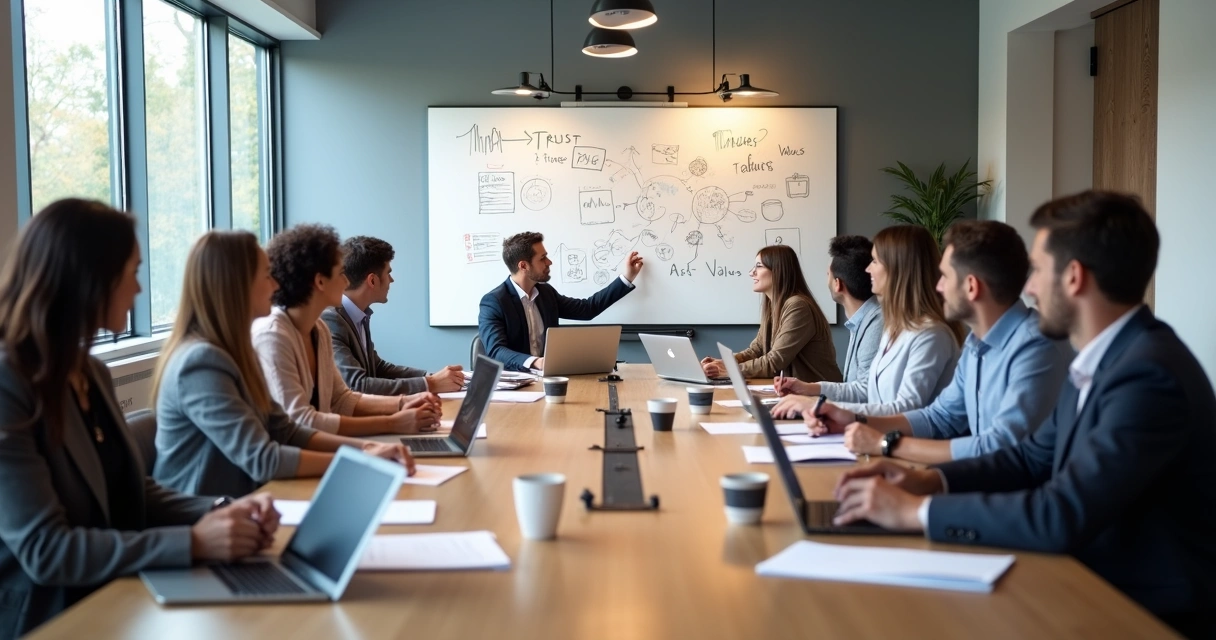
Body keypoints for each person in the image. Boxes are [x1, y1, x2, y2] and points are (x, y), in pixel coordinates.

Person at [831, 192, 1216, 638]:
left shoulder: (1147, 376)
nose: (1028, 287)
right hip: (1088, 580)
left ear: (1074, 278)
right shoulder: (1103, 358)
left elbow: (1062, 512)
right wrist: (930, 480)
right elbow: (1029, 457)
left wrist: (918, 512)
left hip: (1143, 610)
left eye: (1036, 270)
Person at [0, 200, 279, 637]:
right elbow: (46, 549)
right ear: (88, 279)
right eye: (132, 272)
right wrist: (194, 542)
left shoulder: (90, 371)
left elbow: (131, 490)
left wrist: (225, 511)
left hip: (122, 592)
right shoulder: (7, 385)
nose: (139, 290)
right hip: (50, 616)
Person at [153, 231, 416, 498]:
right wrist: (365, 459)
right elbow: (263, 458)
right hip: (206, 513)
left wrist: (367, 450)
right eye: (266, 275)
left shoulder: (236, 349)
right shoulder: (202, 362)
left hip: (248, 501)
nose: (275, 285)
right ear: (237, 285)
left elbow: (287, 430)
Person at [807, 221, 1072, 463]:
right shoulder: (976, 345)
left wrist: (885, 444)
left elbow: (1000, 447)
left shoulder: (1035, 347)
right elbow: (940, 417)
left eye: (945, 276)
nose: (938, 287)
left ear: (971, 286)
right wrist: (850, 418)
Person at [253, 224, 441, 436]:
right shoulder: (274, 336)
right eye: (341, 273)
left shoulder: (319, 329)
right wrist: (393, 423)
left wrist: (405, 402)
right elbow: (301, 422)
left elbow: (342, 399)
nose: (346, 281)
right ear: (320, 281)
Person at [773, 225, 964, 418]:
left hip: (898, 441)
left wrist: (819, 406)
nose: (868, 269)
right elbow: (867, 390)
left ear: (898, 270)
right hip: (878, 436)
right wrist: (809, 390)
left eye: (875, 261)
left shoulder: (931, 335)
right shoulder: (895, 328)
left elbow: (905, 411)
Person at [479, 231, 644, 372]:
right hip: (515, 382)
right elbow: (496, 351)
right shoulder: (494, 302)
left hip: (548, 379)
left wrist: (627, 277)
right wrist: (537, 362)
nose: (549, 262)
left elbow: (587, 309)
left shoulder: (545, 293)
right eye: (542, 258)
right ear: (524, 266)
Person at [323, 236, 463, 395]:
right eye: (388, 273)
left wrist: (430, 377)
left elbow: (377, 368)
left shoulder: (357, 315)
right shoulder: (331, 320)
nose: (392, 280)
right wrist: (430, 384)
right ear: (373, 280)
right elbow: (356, 385)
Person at [699, 244, 841, 382]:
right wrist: (724, 363)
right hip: (797, 394)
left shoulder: (798, 306)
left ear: (778, 270)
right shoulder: (774, 306)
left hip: (820, 397)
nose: (752, 272)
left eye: (759, 266)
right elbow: (756, 350)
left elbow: (775, 361)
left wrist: (728, 369)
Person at [828, 235, 883, 383]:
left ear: (837, 284)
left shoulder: (877, 323)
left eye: (829, 275)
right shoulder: (863, 319)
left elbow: (865, 393)